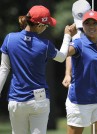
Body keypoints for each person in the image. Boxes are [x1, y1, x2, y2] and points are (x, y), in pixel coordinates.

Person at [0, 5, 76, 134]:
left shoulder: (9, 39)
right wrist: (67, 36)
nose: (46, 28)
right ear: (39, 25)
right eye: (46, 25)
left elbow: (4, 69)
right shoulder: (45, 45)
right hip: (39, 101)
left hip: (16, 100)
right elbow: (62, 57)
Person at [62, 0, 97, 133]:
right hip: (81, 92)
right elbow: (67, 54)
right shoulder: (76, 34)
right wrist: (67, 73)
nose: (89, 26)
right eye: (86, 23)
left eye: (94, 22)